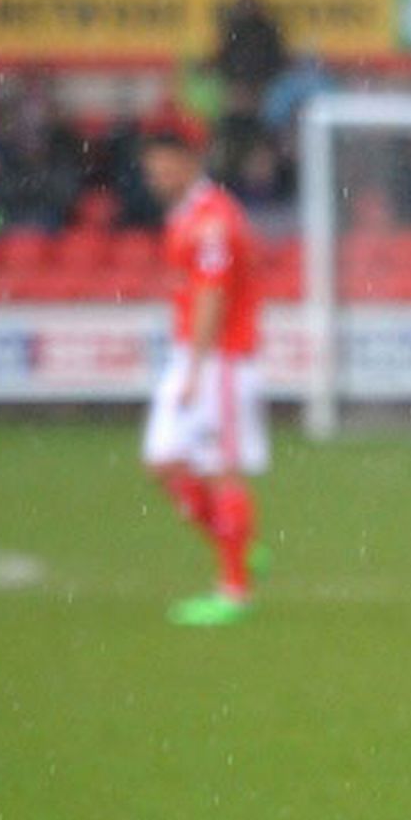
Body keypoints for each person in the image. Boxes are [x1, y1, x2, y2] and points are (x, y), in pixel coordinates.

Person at [138, 130, 266, 626]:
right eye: (151, 170)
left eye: (164, 166)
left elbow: (213, 294)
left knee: (219, 469)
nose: (156, 178)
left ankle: (234, 591)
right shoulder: (188, 215)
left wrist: (195, 366)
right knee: (164, 462)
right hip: (194, 357)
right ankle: (236, 542)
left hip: (220, 362)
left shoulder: (212, 220)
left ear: (190, 162)